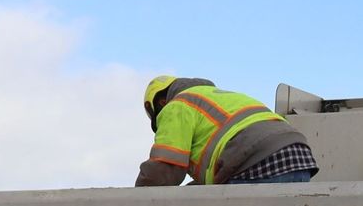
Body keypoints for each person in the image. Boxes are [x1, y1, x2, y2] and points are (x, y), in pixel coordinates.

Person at [136, 75, 318, 186]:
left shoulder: (177, 105)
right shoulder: (221, 96)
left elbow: (165, 169)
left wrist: (134, 202)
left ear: (160, 103)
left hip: (258, 163)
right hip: (299, 158)